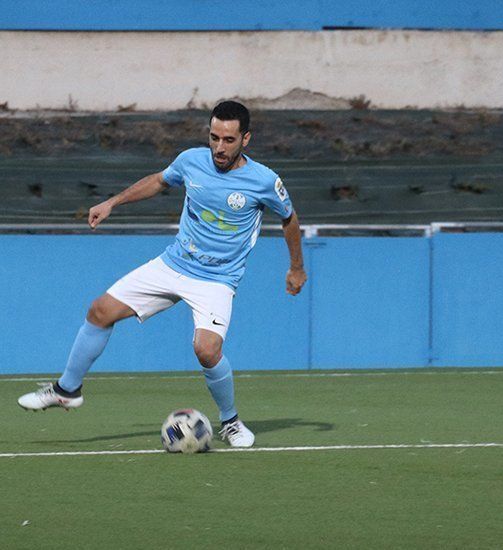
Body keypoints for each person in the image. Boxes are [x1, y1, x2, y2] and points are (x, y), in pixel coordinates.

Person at [17, 101, 307, 448]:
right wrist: (111, 203)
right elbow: (158, 181)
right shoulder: (191, 161)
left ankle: (230, 423)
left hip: (217, 279)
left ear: (246, 139)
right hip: (173, 265)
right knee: (99, 311)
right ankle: (67, 390)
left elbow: (289, 218)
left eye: (229, 140)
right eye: (214, 137)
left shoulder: (263, 180)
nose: (219, 147)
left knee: (206, 350)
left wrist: (296, 267)